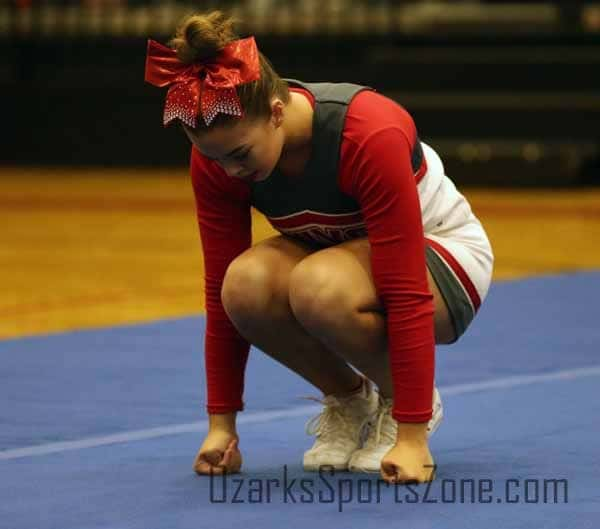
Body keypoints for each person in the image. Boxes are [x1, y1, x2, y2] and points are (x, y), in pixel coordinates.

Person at [145, 10, 493, 484]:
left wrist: (412, 435)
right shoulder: (224, 156)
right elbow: (218, 293)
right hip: (341, 255)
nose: (228, 172)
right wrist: (221, 427)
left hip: (443, 258)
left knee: (318, 287)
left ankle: (408, 406)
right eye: (213, 158)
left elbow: (405, 288)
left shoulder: (368, 133)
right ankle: (351, 402)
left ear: (276, 111)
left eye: (239, 156)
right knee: (243, 286)